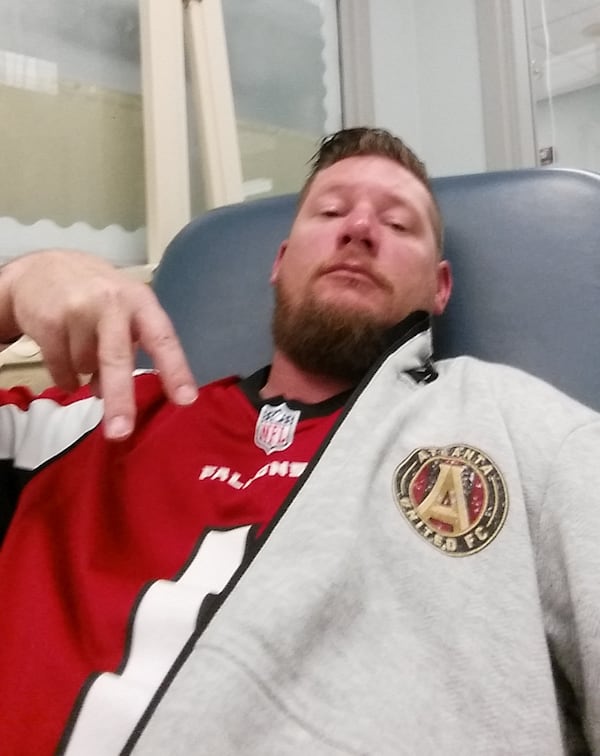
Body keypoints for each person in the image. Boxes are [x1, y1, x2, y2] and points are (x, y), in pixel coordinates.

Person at [0, 128, 598, 755]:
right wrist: (13, 288)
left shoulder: (514, 427)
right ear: (280, 261)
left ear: (439, 287)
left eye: (397, 224)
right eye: (332, 211)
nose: (359, 229)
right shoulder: (107, 421)